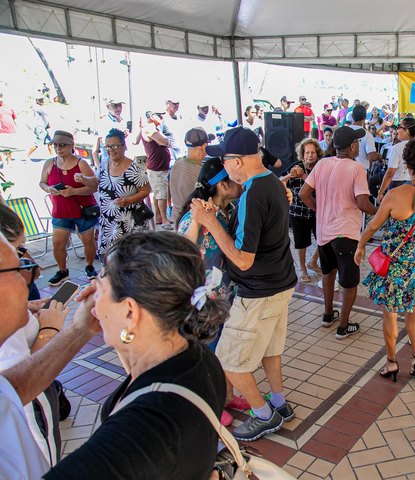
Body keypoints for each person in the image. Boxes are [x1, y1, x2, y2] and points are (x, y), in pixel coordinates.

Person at [43, 231, 229, 478]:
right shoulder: (195, 356)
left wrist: (53, 332)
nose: (92, 303)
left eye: (99, 289)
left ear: (130, 311)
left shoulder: (140, 429)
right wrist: (108, 325)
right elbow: (141, 375)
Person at [191, 127, 297, 441]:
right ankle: (279, 403)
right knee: (269, 350)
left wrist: (209, 222)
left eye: (225, 161)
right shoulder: (273, 183)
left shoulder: (253, 194)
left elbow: (243, 260)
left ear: (237, 162)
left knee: (229, 361)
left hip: (258, 292)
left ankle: (264, 415)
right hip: (281, 284)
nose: (225, 169)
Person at [355, 140, 415, 382]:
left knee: (390, 313)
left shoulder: (395, 195)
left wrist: (360, 246)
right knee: (414, 310)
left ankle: (392, 362)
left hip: (394, 267)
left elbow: (373, 226)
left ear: (407, 164)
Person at [177, 158, 245, 426]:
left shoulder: (229, 210)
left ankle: (227, 396)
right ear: (222, 185)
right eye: (234, 179)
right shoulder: (196, 215)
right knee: (209, 352)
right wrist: (197, 219)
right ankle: (211, 405)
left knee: (224, 348)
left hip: (226, 293)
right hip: (204, 299)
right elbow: (182, 249)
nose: (239, 182)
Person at [0, 205, 69, 467]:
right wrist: (49, 330)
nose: (27, 277)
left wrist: (26, 308)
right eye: (18, 258)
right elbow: (20, 381)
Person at [299, 126, 377, 339]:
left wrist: (319, 209)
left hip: (324, 232)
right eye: (357, 143)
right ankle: (343, 327)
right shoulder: (356, 168)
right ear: (352, 146)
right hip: (346, 234)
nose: (358, 145)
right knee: (349, 282)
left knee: (328, 273)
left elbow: (304, 193)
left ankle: (327, 315)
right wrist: (380, 211)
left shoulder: (322, 164)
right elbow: (363, 203)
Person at [78, 129, 151, 256]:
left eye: (115, 146)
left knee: (128, 258)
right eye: (107, 146)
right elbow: (96, 182)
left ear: (124, 147)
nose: (111, 149)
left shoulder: (134, 169)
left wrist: (128, 200)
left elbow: (146, 190)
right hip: (107, 221)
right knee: (108, 256)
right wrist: (83, 179)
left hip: (128, 222)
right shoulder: (104, 164)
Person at [39, 130, 99, 284]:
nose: (58, 148)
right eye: (55, 145)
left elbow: (94, 186)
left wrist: (74, 191)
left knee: (88, 240)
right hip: (61, 210)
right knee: (57, 243)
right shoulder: (50, 163)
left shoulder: (81, 163)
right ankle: (62, 270)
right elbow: (42, 182)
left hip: (82, 209)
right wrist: (49, 189)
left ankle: (89, 266)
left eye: (62, 145)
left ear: (71, 146)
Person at [281, 138, 321, 282]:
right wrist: (290, 175)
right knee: (301, 242)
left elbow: (318, 186)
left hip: (317, 210)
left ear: (317, 153)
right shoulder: (296, 166)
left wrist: (303, 175)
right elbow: (280, 181)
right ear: (302, 154)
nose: (310, 155)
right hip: (298, 212)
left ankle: (313, 261)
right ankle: (303, 269)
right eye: (307, 153)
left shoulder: (320, 167)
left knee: (323, 239)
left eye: (313, 152)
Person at [135, 111, 172, 230]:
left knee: (158, 193)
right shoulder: (149, 128)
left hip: (159, 167)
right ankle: (164, 219)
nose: (162, 117)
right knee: (161, 194)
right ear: (151, 116)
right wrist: (166, 141)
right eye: (159, 115)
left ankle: (159, 217)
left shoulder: (152, 128)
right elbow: (165, 142)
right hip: (157, 168)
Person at [170, 128, 214, 224]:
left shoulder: (177, 164)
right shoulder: (201, 172)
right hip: (192, 221)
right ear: (204, 146)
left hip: (177, 219)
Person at [379, 117, 415, 201]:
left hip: (398, 184)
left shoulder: (397, 147)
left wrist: (381, 192)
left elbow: (390, 173)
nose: (397, 130)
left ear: (407, 130)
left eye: (399, 127)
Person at [93, 99, 127, 164]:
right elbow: (100, 146)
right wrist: (99, 167)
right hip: (109, 163)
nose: (118, 108)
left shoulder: (122, 121)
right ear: (108, 107)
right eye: (115, 106)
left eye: (120, 105)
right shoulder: (104, 122)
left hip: (121, 161)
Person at [349, 104, 378, 171]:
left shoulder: (343, 131)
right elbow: (372, 156)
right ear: (365, 117)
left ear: (352, 116)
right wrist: (378, 156)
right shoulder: (367, 135)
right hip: (361, 171)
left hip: (345, 170)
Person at [27, 96, 52, 162]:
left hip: (43, 128)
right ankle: (26, 156)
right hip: (40, 128)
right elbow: (47, 114)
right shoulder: (38, 108)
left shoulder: (40, 107)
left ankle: (52, 158)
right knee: (37, 144)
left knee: (50, 142)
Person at [0, 93, 17, 167]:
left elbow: (15, 118)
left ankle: (8, 161)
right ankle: (4, 162)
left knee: (10, 148)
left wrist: (17, 127)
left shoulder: (9, 107)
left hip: (12, 131)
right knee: (2, 148)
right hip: (2, 132)